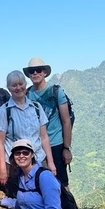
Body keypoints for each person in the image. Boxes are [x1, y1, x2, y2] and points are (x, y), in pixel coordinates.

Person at [0, 70, 55, 191]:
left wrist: (50, 162)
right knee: (19, 197)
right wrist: (2, 168)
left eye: (21, 84)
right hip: (14, 163)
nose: (18, 88)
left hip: (38, 159)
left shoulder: (36, 107)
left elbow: (44, 137)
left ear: (25, 84)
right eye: (14, 85)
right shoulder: (4, 110)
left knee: (43, 193)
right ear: (9, 88)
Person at [24, 58, 73, 188]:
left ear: (44, 72)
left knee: (61, 184)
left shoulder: (56, 91)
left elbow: (66, 121)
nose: (35, 73)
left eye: (38, 70)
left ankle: (69, 208)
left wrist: (66, 148)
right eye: (31, 71)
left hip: (56, 143)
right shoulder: (28, 94)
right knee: (41, 183)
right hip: (37, 146)